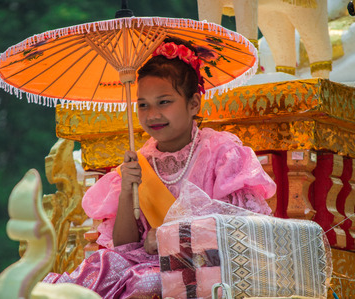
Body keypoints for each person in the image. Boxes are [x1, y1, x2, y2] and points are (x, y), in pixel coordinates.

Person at [43, 37, 276, 298]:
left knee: (144, 283)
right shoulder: (138, 163)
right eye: (143, 104)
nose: (152, 114)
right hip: (144, 263)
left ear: (194, 104)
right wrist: (127, 191)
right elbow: (123, 247)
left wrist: (170, 238)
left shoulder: (221, 154)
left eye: (164, 102)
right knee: (103, 266)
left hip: (207, 269)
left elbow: (242, 232)